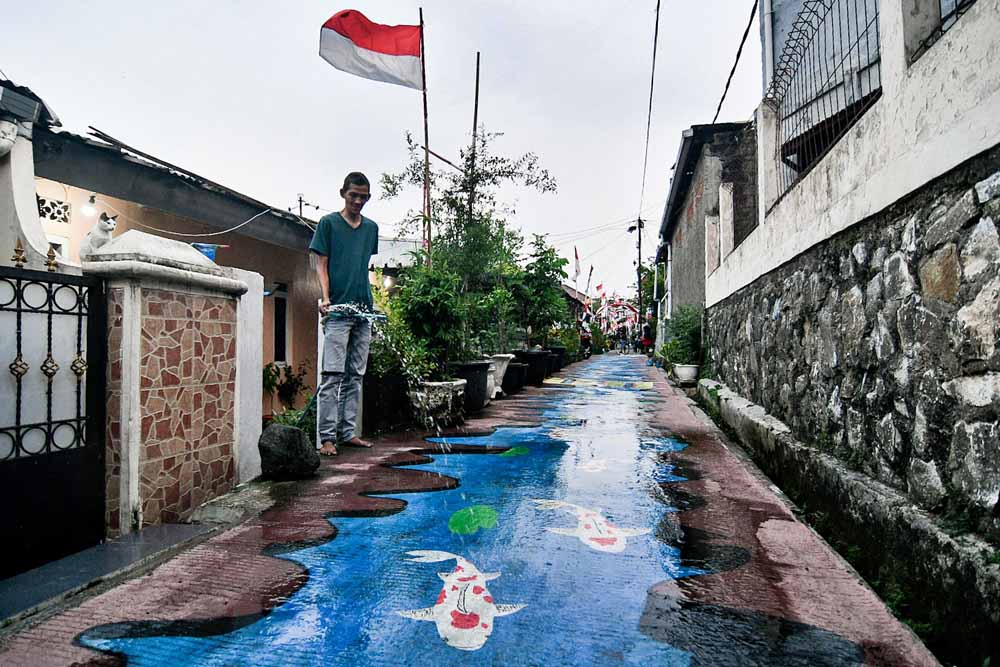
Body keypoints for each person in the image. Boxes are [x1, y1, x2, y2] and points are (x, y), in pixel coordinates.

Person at [309, 172, 379, 456]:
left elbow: (362, 266)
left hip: (364, 310)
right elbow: (321, 265)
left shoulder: (371, 228)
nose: (358, 201)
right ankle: (327, 438)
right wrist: (326, 297)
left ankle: (348, 433)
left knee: (356, 375)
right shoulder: (328, 224)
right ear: (343, 193)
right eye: (353, 195)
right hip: (338, 310)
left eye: (363, 196)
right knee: (332, 374)